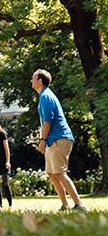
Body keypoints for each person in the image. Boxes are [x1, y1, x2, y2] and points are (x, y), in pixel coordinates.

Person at [32, 69, 86, 212]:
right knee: (51, 172)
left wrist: (43, 140)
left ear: (40, 80)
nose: (31, 81)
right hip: (53, 139)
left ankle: (79, 205)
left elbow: (48, 121)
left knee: (60, 172)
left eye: (33, 78)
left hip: (59, 138)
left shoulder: (45, 96)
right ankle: (65, 205)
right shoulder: (44, 95)